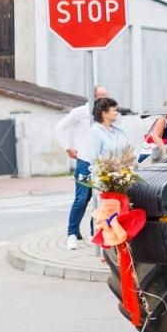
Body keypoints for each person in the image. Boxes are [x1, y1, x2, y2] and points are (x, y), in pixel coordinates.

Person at [54, 84, 109, 251]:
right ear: (92, 97)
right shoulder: (80, 112)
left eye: (105, 97)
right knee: (82, 197)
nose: (103, 100)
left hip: (101, 162)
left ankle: (95, 233)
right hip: (84, 161)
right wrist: (68, 148)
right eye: (100, 97)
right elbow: (59, 128)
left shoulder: (106, 115)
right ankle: (72, 233)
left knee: (99, 198)